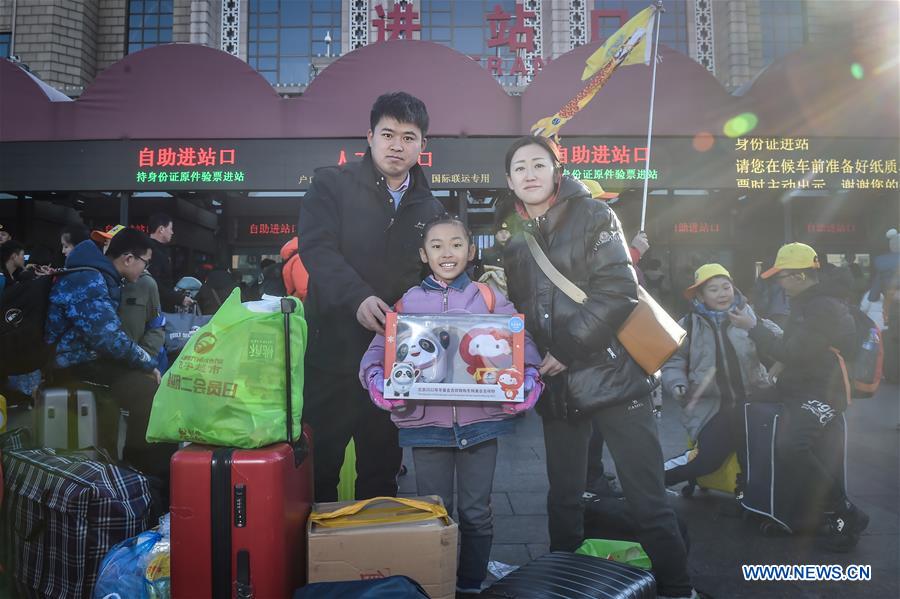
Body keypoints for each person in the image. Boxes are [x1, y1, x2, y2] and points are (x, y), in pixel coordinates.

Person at [496, 136, 700, 599]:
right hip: (559, 386)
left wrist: (566, 349)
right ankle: (563, 585)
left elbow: (618, 292)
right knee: (564, 500)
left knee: (647, 498)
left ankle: (678, 587)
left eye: (538, 164)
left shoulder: (595, 215)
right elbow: (523, 310)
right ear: (510, 181)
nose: (530, 173)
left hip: (615, 378)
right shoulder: (516, 240)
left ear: (556, 170)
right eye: (520, 167)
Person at [359, 216, 543, 596]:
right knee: (434, 512)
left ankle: (471, 584)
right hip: (426, 425)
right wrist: (381, 386)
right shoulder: (407, 301)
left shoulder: (489, 298)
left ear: (471, 251)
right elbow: (377, 355)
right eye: (437, 245)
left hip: (481, 424)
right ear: (424, 254)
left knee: (477, 513)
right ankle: (437, 581)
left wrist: (526, 384)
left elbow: (522, 349)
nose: (447, 252)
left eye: (457, 244)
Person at [298, 92, 446, 502]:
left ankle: (375, 562)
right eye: (388, 134)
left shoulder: (432, 210)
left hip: (393, 363)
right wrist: (357, 297)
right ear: (370, 136)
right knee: (318, 469)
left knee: (381, 472)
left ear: (422, 146)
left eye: (408, 137)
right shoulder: (331, 184)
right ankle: (316, 562)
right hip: (332, 356)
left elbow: (437, 277)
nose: (397, 145)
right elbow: (317, 249)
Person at [729, 242, 868, 551]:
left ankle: (844, 512)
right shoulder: (807, 302)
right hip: (799, 385)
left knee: (792, 445)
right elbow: (794, 350)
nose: (778, 283)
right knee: (742, 409)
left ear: (800, 276)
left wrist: (753, 327)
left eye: (782, 276)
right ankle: (751, 491)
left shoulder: (822, 308)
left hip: (824, 392)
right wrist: (773, 375)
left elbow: (794, 351)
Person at [45, 230, 174, 508]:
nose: (145, 269)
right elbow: (107, 337)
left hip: (89, 362)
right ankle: (151, 479)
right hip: (75, 365)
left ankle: (141, 473)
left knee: (142, 387)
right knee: (147, 390)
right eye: (145, 262)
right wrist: (148, 364)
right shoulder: (89, 279)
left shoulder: (100, 275)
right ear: (128, 259)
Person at [662, 264, 779, 491]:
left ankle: (750, 499)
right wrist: (677, 384)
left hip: (753, 404)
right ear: (700, 295)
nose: (722, 293)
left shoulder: (749, 316)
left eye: (726, 287)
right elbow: (674, 362)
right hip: (712, 408)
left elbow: (778, 345)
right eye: (713, 289)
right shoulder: (687, 325)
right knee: (706, 461)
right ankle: (649, 480)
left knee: (757, 459)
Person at [147, 213, 192, 312]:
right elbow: (154, 282)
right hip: (157, 309)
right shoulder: (153, 251)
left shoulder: (157, 249)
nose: (172, 232)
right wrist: (178, 298)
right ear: (161, 229)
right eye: (170, 228)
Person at [280, 237, 309, 301]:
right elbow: (303, 289)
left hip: (298, 303)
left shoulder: (296, 258)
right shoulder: (300, 259)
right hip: (305, 306)